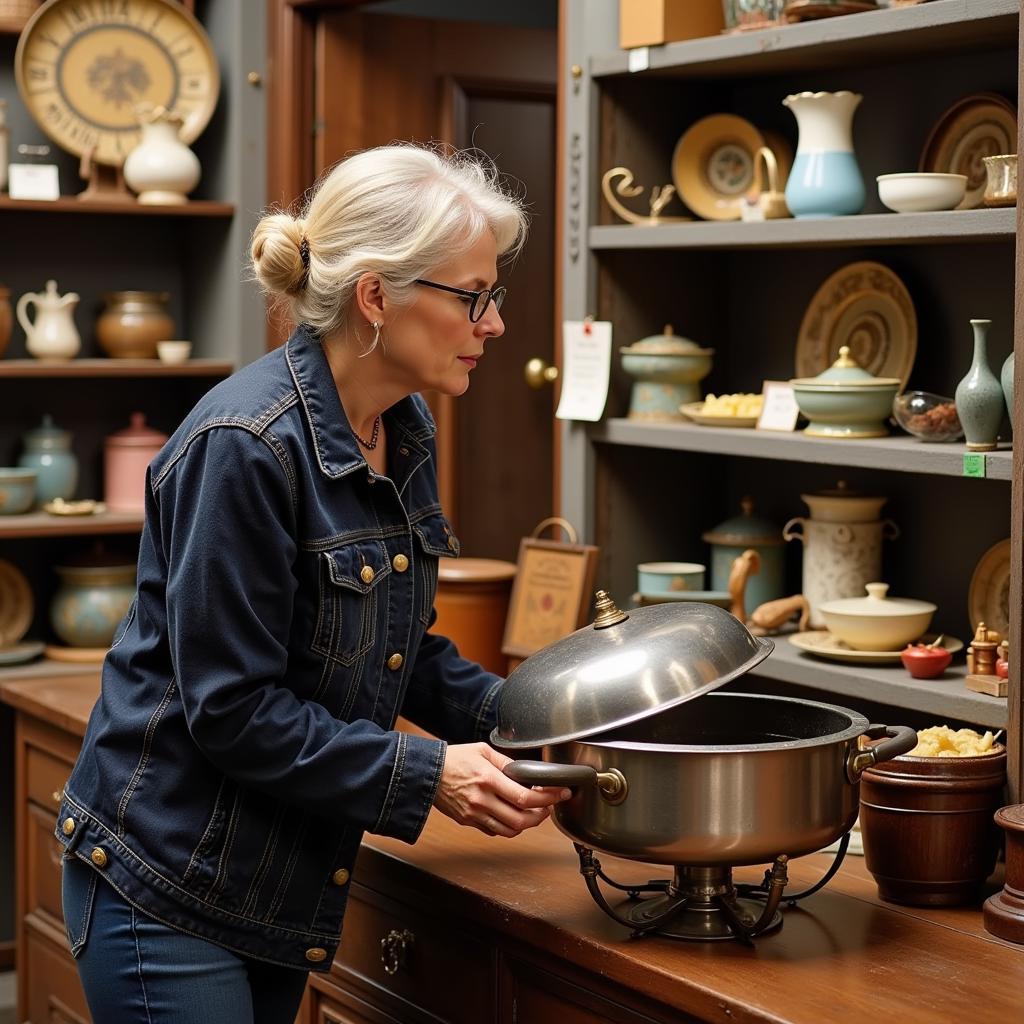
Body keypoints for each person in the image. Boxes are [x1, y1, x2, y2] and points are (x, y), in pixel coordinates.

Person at [57, 143, 570, 1023]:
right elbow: (233, 709)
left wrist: (556, 722)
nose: (495, 324)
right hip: (164, 885)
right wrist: (431, 773)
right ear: (377, 296)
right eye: (473, 296)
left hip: (274, 888)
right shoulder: (245, 445)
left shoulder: (401, 428)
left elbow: (397, 653)